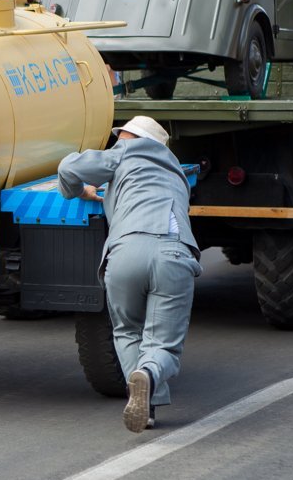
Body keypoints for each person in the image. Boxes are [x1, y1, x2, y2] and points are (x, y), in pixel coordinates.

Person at [57, 116, 202, 433]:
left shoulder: (125, 152)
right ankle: (147, 378)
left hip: (126, 253)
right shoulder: (177, 173)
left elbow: (68, 168)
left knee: (127, 331)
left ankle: (146, 406)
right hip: (173, 254)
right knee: (163, 346)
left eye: (122, 135)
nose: (118, 140)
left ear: (132, 138)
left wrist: (78, 190)